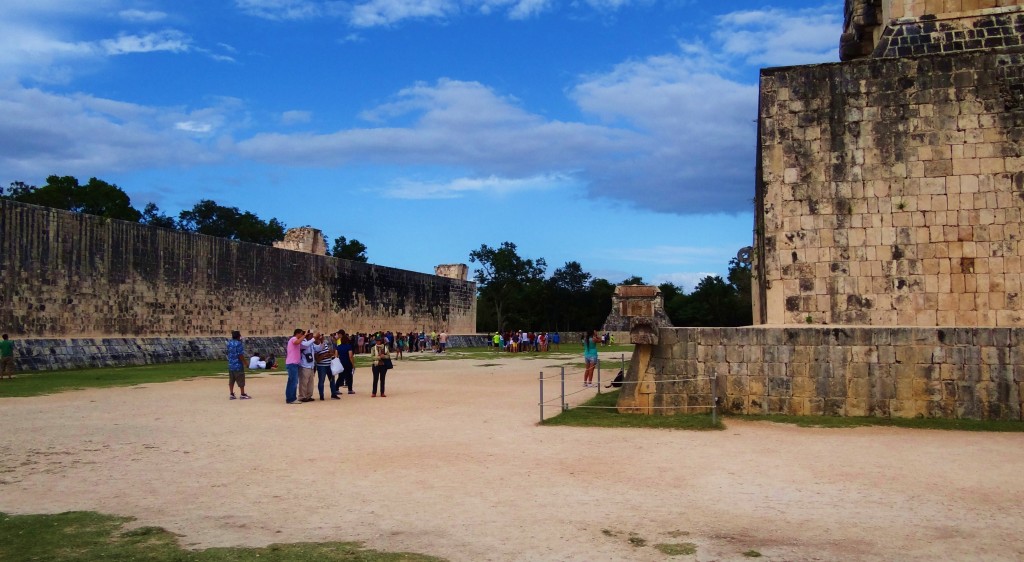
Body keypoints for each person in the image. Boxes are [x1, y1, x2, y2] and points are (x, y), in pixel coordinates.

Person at [314, 332, 339, 400]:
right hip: (321, 366)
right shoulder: (315, 347)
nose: (322, 338)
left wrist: (329, 354)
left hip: (329, 365)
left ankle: (333, 394)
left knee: (332, 380)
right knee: (321, 381)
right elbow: (317, 360)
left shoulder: (325, 345)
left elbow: (331, 353)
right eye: (320, 337)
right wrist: (324, 355)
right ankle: (321, 396)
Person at [226, 330, 250, 400]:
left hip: (231, 364)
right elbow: (240, 355)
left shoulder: (229, 343)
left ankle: (231, 394)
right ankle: (242, 394)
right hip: (238, 365)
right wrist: (245, 363)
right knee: (241, 379)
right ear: (238, 336)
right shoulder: (238, 344)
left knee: (231, 380)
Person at [285, 328, 305, 404]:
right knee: (293, 381)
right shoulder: (293, 338)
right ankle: (291, 398)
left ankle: (290, 398)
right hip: (292, 364)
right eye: (301, 334)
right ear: (297, 333)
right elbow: (297, 342)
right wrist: (305, 335)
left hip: (294, 364)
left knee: (291, 381)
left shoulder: (296, 340)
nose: (302, 335)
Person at [298, 331, 316, 402]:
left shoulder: (311, 343)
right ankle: (302, 396)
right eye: (310, 335)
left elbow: (318, 348)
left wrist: (321, 341)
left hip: (311, 365)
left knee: (310, 383)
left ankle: (308, 396)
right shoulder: (303, 342)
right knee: (303, 382)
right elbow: (305, 345)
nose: (312, 336)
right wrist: (313, 339)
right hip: (304, 365)